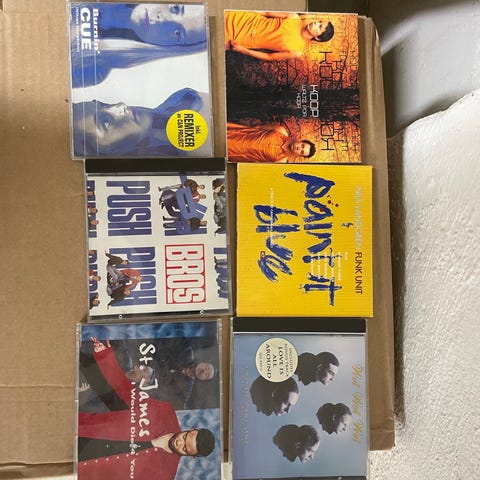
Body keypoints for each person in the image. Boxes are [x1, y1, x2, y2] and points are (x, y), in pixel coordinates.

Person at [77, 337, 215, 479]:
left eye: (185, 449)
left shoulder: (164, 476)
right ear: (193, 429)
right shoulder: (164, 412)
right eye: (185, 437)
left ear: (192, 456)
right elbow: (126, 393)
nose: (179, 442)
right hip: (81, 430)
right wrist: (105, 357)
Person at [71, 3, 208, 88]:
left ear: (170, 47)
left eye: (177, 33)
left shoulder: (95, 67)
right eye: (176, 8)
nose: (164, 20)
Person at [72, 87, 209, 157]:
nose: (120, 106)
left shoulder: (187, 98)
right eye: (106, 122)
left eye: (104, 104)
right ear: (105, 151)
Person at [225, 11, 334, 61]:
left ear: (318, 38)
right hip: (241, 17)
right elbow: (265, 13)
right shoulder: (294, 17)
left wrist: (242, 50)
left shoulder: (296, 51)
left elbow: (269, 57)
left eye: (319, 26)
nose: (315, 23)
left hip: (238, 38)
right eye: (319, 21)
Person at [227, 122, 316, 162]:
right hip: (239, 135)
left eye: (301, 152)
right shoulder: (281, 130)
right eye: (302, 145)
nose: (299, 148)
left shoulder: (280, 161)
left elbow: (258, 164)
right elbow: (258, 128)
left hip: (239, 154)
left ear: (299, 155)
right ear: (300, 141)